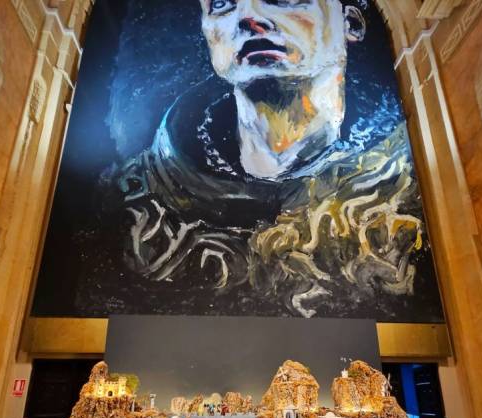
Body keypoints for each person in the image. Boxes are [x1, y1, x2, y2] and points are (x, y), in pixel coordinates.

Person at [93, 0, 434, 319]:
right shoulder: (143, 196)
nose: (249, 18)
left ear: (351, 24)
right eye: (222, 4)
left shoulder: (409, 189)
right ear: (206, 30)